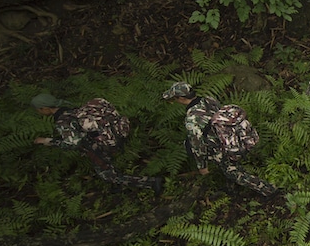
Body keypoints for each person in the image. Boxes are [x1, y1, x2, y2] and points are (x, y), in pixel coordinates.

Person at [161, 81, 282, 199]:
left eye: (175, 98)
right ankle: (232, 189)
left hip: (221, 146)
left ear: (181, 98)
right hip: (234, 137)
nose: (175, 101)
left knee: (232, 172)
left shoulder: (192, 119)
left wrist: (202, 166)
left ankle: (268, 190)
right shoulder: (208, 99)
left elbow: (197, 145)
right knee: (229, 167)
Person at [32, 94, 162, 194]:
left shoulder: (62, 121)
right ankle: (119, 187)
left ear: (45, 108)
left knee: (107, 175)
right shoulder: (69, 108)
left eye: (38, 110)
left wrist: (47, 141)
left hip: (96, 146)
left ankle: (151, 183)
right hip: (108, 136)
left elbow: (73, 143)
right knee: (108, 166)